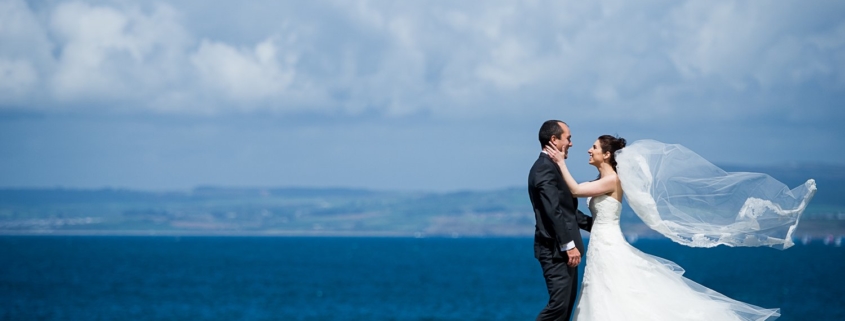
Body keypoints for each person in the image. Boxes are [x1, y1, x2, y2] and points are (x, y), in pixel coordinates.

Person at [543, 135, 786, 320]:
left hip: (608, 243)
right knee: (602, 289)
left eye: (594, 147)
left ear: (607, 155)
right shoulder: (600, 180)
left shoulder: (613, 180)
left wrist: (559, 162)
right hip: (600, 241)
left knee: (612, 289)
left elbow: (575, 189)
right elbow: (573, 191)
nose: (589, 149)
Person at [527, 120, 593, 321]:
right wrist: (568, 245)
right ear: (554, 140)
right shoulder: (543, 168)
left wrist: (597, 225)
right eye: (568, 138)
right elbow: (552, 211)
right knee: (558, 308)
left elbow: (567, 212)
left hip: (564, 251)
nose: (571, 143)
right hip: (555, 251)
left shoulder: (551, 167)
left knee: (564, 311)